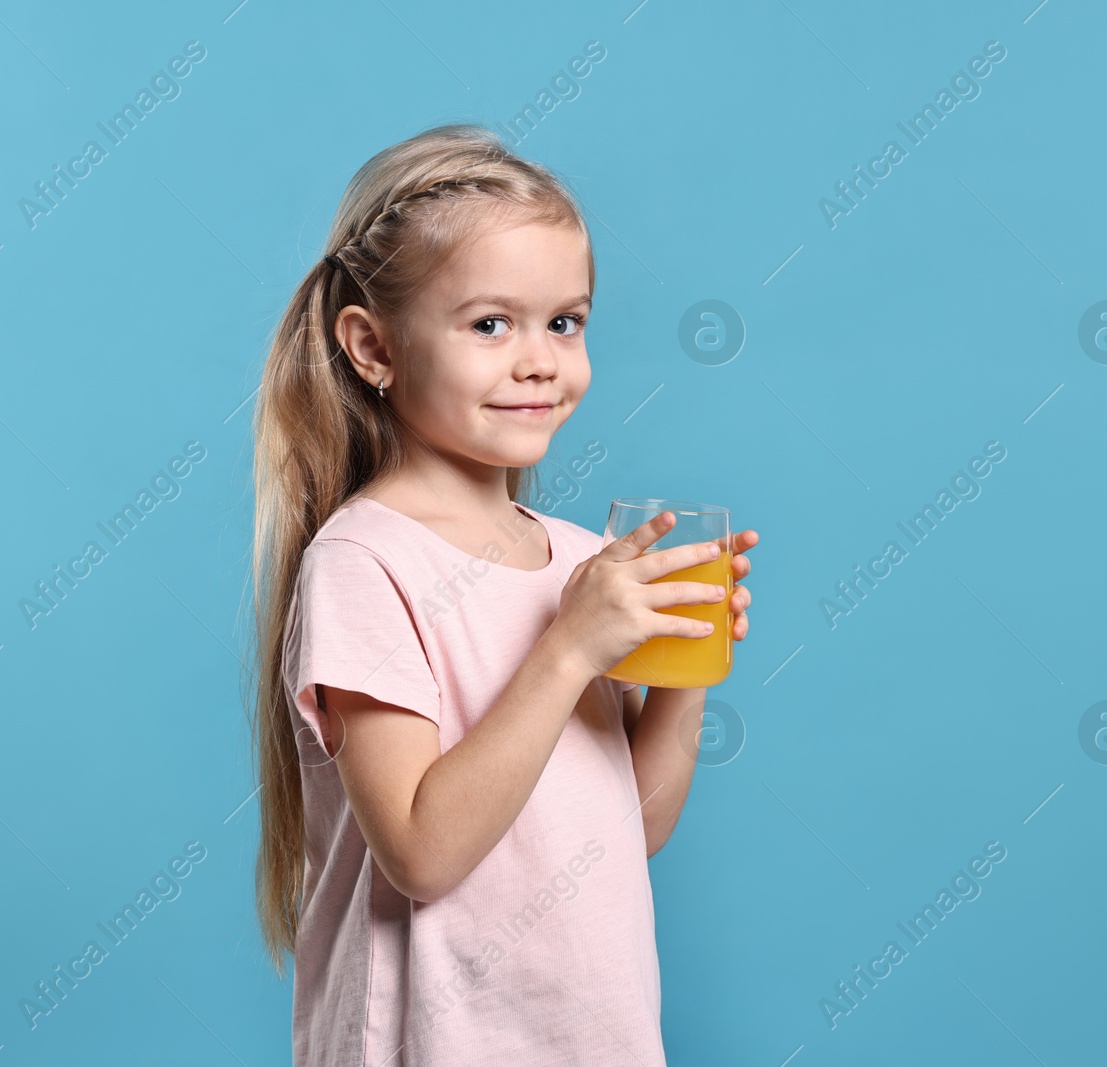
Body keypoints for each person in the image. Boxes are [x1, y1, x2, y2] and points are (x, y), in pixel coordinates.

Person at [245, 122, 758, 1065]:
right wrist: (568, 649)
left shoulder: (574, 558)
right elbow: (422, 852)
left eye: (565, 321)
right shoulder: (363, 561)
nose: (539, 359)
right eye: (491, 323)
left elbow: (629, 829)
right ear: (372, 347)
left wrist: (687, 670)